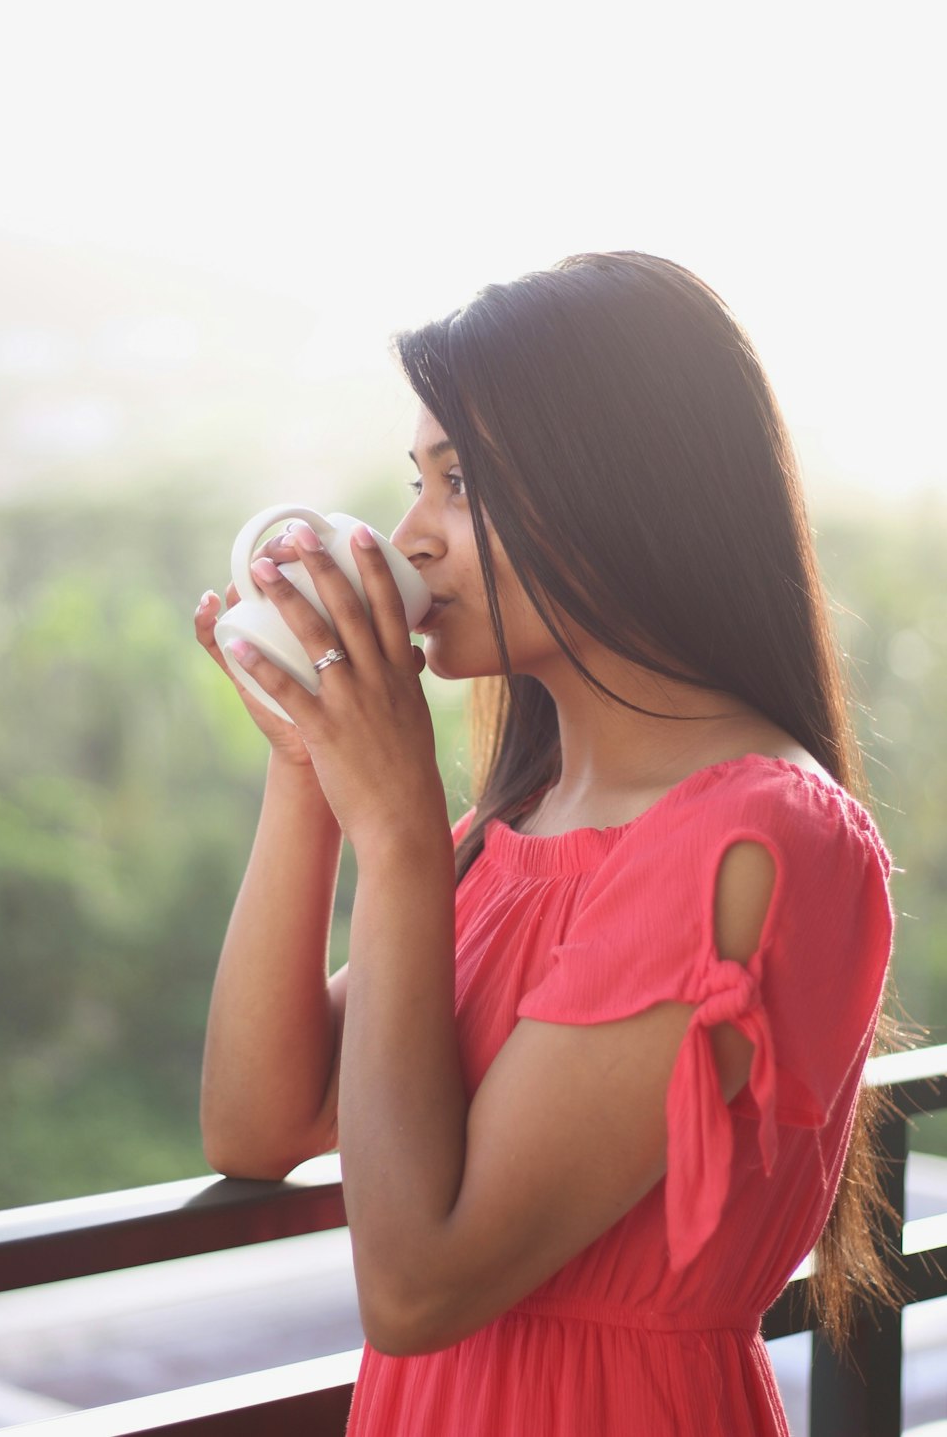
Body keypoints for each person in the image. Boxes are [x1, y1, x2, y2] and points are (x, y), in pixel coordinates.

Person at [195, 251, 895, 1436]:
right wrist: (308, 762)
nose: (408, 540)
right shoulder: (517, 828)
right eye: (417, 481)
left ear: (619, 485)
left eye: (459, 483)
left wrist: (401, 832)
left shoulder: (754, 839)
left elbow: (417, 1284)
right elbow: (259, 1122)